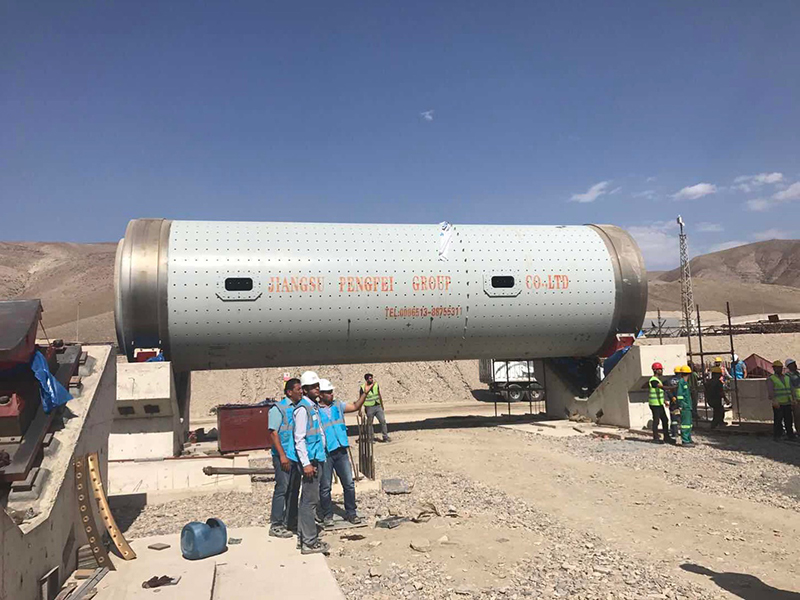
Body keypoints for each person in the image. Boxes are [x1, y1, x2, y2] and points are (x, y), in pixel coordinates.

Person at [317, 378, 370, 527]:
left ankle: (351, 513)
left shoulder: (338, 405)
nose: (331, 394)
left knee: (349, 484)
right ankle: (327, 515)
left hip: (341, 450)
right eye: (328, 392)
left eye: (331, 392)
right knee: (325, 486)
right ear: (320, 394)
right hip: (326, 453)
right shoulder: (314, 410)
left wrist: (365, 394)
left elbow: (355, 406)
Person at [291, 370, 329, 554]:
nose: (317, 389)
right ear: (305, 390)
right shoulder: (302, 409)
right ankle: (309, 542)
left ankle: (304, 538)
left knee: (307, 500)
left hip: (316, 458)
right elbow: (299, 439)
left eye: (317, 386)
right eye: (312, 387)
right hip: (310, 461)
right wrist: (306, 464)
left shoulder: (312, 407)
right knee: (309, 501)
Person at [267, 378, 302, 538]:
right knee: (282, 488)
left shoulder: (299, 408)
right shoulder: (278, 409)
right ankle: (276, 524)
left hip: (295, 455)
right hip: (283, 456)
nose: (301, 392)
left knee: (294, 489)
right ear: (289, 392)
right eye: (298, 389)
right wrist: (282, 455)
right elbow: (273, 433)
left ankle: (290, 521)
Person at [767, 360, 795, 441]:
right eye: (776, 368)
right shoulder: (771, 379)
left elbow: (791, 389)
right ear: (773, 368)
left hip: (787, 402)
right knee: (778, 420)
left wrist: (793, 399)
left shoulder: (787, 378)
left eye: (779, 368)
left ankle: (790, 435)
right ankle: (777, 435)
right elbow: (771, 390)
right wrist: (774, 400)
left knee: (788, 420)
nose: (778, 369)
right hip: (778, 403)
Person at [360, 373, 390, 443]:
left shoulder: (376, 385)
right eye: (370, 378)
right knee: (370, 424)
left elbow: (379, 395)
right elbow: (361, 399)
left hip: (378, 406)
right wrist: (360, 409)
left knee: (383, 421)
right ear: (366, 379)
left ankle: (385, 437)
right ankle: (371, 439)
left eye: (372, 378)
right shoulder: (363, 387)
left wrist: (382, 405)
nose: (371, 379)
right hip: (369, 407)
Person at [646, 362, 672, 443]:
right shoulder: (653, 380)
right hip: (654, 404)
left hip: (659, 403)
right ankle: (655, 438)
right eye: (659, 369)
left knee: (665, 420)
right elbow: (659, 387)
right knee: (656, 421)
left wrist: (664, 401)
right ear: (655, 370)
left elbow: (659, 392)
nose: (661, 371)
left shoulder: (658, 380)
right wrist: (671, 387)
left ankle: (666, 437)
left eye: (661, 369)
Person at [676, 365, 694, 446]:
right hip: (685, 406)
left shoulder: (685, 382)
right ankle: (685, 440)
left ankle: (688, 438)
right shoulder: (681, 382)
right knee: (685, 424)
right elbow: (680, 395)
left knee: (689, 424)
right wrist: (681, 405)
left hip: (688, 406)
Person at [785, 358, 800, 430]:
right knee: (797, 416)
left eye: (795, 364)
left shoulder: (798, 374)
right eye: (792, 364)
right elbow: (790, 388)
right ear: (788, 366)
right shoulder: (788, 376)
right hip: (796, 399)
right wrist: (793, 399)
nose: (795, 365)